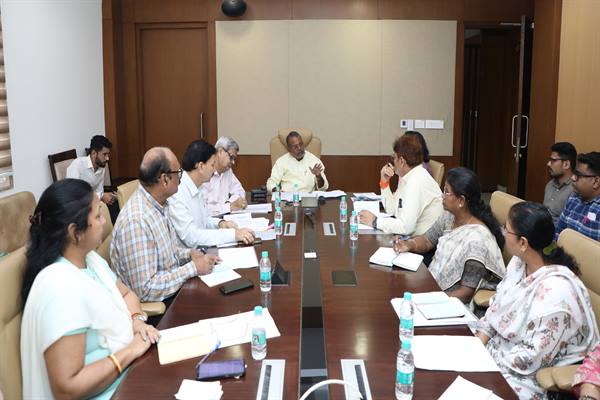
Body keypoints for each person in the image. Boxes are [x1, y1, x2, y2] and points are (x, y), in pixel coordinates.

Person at [20, 179, 160, 400]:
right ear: (75, 232)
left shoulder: (90, 260)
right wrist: (130, 350)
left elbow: (126, 294)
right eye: (97, 216)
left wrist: (136, 321)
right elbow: (68, 387)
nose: (104, 221)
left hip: (128, 376)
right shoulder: (60, 289)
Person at [476, 202, 598, 399]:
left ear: (523, 243)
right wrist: (477, 345)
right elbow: (496, 309)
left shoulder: (557, 292)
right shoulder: (519, 262)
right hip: (496, 353)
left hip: (527, 376)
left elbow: (532, 358)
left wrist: (485, 364)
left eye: (507, 229)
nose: (503, 233)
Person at [111, 147, 219, 302]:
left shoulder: (160, 204)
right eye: (178, 173)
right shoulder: (136, 221)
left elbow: (167, 254)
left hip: (173, 289)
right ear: (165, 179)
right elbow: (146, 290)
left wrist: (189, 255)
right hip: (159, 307)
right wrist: (193, 268)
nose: (181, 178)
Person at [393, 167, 505, 303]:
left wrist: (431, 299)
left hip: (452, 303)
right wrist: (409, 244)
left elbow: (466, 293)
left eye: (446, 192)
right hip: (431, 286)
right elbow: (427, 240)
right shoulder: (449, 217)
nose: (442, 195)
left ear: (461, 201)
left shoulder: (476, 241)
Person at [170, 140, 255, 248]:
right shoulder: (177, 192)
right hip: (189, 255)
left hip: (202, 249)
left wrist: (220, 223)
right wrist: (233, 235)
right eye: (212, 165)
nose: (214, 169)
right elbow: (191, 237)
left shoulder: (198, 186)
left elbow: (204, 220)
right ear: (201, 166)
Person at [359, 135, 442, 236]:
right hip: (413, 238)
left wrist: (375, 221)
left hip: (422, 242)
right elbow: (392, 210)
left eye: (394, 157)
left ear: (401, 161)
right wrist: (384, 183)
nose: (393, 161)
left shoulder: (416, 181)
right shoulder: (409, 176)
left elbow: (405, 227)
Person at [555, 152, 600, 241]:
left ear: (596, 182)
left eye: (578, 175)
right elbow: (558, 234)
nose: (572, 178)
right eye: (574, 173)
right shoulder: (573, 199)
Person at [66, 135, 116, 207]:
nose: (107, 158)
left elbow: (99, 191)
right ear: (93, 153)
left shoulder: (101, 167)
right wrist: (101, 196)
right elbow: (73, 194)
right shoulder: (77, 165)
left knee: (115, 204)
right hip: (75, 206)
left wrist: (105, 197)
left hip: (91, 203)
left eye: (108, 154)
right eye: (104, 154)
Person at [205, 136, 247, 216]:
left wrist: (229, 203)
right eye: (231, 157)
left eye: (234, 159)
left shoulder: (227, 171)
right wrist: (229, 207)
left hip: (225, 216)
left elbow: (240, 192)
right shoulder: (205, 172)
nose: (233, 162)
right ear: (220, 152)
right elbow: (203, 209)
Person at [543, 142, 577, 224]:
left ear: (566, 164)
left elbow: (569, 224)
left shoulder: (575, 190)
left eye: (553, 160)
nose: (548, 164)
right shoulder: (550, 184)